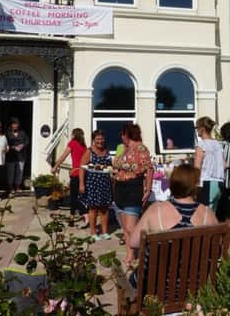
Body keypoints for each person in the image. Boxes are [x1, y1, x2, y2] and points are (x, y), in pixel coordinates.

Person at [128, 164, 218, 288]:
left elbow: (133, 242)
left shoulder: (156, 210)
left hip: (153, 289)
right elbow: (217, 251)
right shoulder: (207, 214)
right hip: (193, 288)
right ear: (195, 186)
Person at [112, 123, 153, 266]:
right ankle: (130, 254)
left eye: (123, 134)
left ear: (128, 134)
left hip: (132, 188)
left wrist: (148, 189)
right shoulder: (125, 149)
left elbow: (149, 169)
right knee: (125, 227)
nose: (121, 137)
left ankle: (142, 253)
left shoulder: (141, 149)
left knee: (131, 228)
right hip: (120, 188)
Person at [78, 130, 113, 240]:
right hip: (92, 183)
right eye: (98, 139)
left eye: (102, 138)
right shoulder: (89, 152)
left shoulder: (106, 151)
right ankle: (93, 233)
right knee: (93, 208)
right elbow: (81, 168)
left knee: (105, 208)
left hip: (105, 183)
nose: (100, 141)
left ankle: (104, 232)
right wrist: (81, 184)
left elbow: (109, 167)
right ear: (94, 139)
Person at [50, 128, 88, 221]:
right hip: (84, 173)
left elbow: (63, 156)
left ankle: (86, 215)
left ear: (74, 135)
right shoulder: (84, 146)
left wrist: (55, 167)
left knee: (74, 197)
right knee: (78, 196)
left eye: (72, 134)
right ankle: (72, 216)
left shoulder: (72, 143)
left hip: (76, 173)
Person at [194, 116, 224, 210]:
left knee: (204, 214)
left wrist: (195, 183)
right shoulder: (218, 144)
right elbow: (225, 164)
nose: (197, 130)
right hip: (219, 182)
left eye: (197, 128)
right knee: (213, 213)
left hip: (206, 182)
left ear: (202, 129)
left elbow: (197, 166)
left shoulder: (201, 144)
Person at [5, 118, 29, 197]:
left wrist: (22, 145)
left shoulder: (22, 132)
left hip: (21, 155)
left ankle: (18, 186)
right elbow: (4, 144)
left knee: (20, 171)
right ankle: (10, 187)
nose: (15, 126)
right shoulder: (7, 133)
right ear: (11, 125)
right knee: (11, 172)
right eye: (14, 124)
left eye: (17, 124)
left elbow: (27, 141)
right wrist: (13, 147)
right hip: (11, 155)